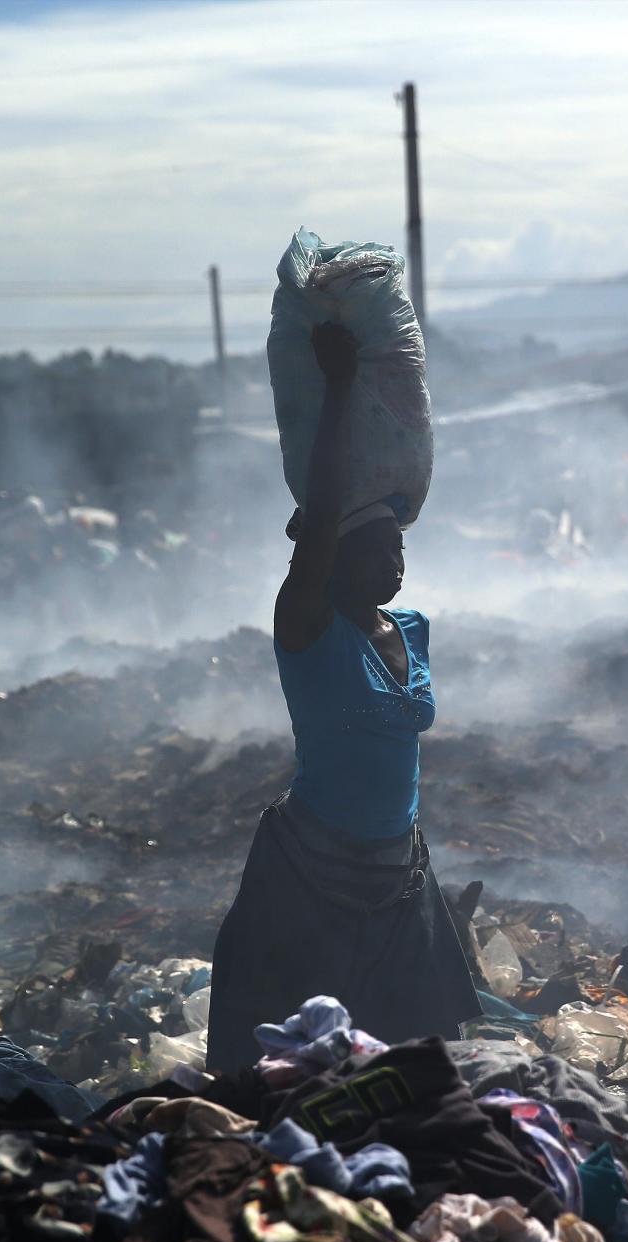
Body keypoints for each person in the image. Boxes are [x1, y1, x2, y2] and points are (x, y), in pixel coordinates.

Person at [207, 322, 478, 1073]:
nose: (394, 560)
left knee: (411, 1056)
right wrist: (337, 388)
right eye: (374, 546)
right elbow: (322, 513)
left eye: (400, 544)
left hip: (399, 870)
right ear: (331, 558)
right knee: (295, 1058)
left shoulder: (412, 628)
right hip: (310, 873)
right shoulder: (306, 626)